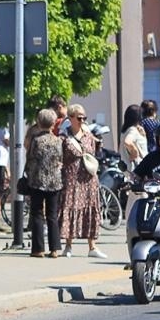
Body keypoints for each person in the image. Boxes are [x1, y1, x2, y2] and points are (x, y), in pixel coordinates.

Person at [60, 104, 105, 259]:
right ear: (70, 118)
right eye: (79, 118)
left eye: (84, 118)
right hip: (71, 178)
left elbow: (94, 152)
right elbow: (60, 157)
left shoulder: (88, 135)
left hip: (89, 179)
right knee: (70, 208)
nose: (82, 121)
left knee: (90, 209)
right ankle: (68, 245)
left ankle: (92, 246)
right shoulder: (64, 137)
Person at [24, 108, 65, 257]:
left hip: (37, 180)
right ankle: (54, 249)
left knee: (37, 214)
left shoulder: (36, 140)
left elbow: (30, 158)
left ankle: (38, 249)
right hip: (55, 181)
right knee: (52, 215)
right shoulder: (58, 141)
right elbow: (60, 158)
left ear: (39, 123)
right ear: (53, 124)